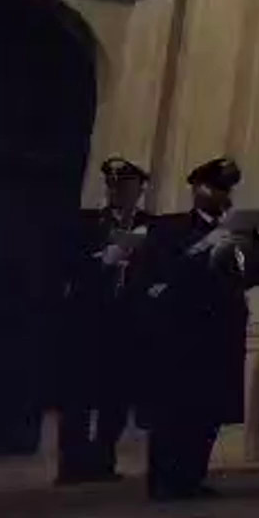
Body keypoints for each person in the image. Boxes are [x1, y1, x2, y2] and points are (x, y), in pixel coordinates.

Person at [135, 158, 259, 500]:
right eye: (215, 188)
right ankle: (163, 480)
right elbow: (162, 275)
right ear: (197, 189)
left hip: (220, 330)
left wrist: (243, 247)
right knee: (172, 410)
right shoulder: (169, 228)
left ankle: (192, 477)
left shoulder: (241, 230)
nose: (222, 196)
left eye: (226, 190)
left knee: (208, 409)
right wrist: (208, 246)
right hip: (180, 331)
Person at [54, 157, 153, 485]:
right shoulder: (87, 224)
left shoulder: (151, 226)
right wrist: (101, 260)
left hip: (129, 321)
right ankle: (72, 464)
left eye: (126, 186)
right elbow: (65, 265)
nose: (119, 192)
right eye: (114, 186)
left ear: (140, 189)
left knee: (117, 395)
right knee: (78, 395)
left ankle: (102, 458)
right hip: (90, 320)